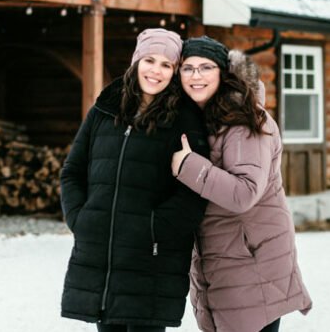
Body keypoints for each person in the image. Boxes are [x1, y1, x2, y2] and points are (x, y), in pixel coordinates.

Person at [60, 28, 212, 332]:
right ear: (135, 62)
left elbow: (194, 193)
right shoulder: (103, 111)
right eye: (149, 60)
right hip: (103, 257)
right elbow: (72, 172)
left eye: (166, 65)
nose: (155, 70)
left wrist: (153, 229)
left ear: (174, 71)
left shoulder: (185, 118)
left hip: (151, 260)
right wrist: (82, 218)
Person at [170, 38, 312, 332]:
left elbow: (244, 193)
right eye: (188, 68)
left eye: (206, 67)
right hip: (224, 255)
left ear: (223, 73)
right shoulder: (201, 118)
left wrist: (188, 166)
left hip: (251, 256)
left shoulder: (245, 120)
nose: (196, 76)